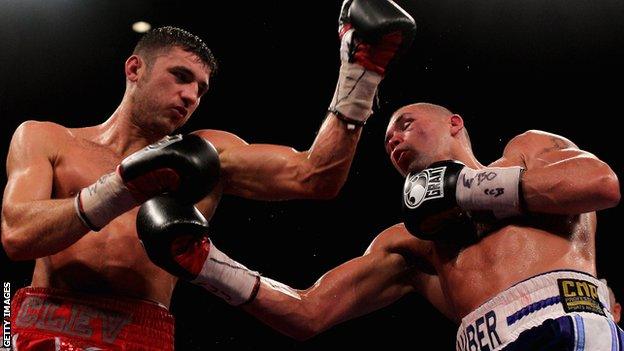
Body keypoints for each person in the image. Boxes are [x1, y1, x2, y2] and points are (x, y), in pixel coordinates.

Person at [0, 1, 417, 349]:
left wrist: (360, 77)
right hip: (45, 319)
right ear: (134, 69)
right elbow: (17, 236)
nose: (190, 96)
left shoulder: (205, 154)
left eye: (200, 89)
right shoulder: (46, 139)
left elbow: (315, 176)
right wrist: (121, 187)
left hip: (141, 331)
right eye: (180, 77)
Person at [139, 102, 622, 350]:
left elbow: (601, 184)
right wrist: (207, 265)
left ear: (455, 123)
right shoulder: (412, 243)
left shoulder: (527, 149)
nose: (395, 138)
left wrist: (468, 188)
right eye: (388, 138)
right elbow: (309, 313)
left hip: (564, 328)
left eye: (407, 123)